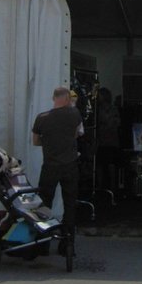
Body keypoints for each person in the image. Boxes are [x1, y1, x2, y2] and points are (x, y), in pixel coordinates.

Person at [32, 86, 83, 246]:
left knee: (45, 202)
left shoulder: (41, 118)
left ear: (53, 98)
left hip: (50, 165)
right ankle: (67, 243)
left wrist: (49, 142)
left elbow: (35, 141)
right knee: (70, 203)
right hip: (69, 164)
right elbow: (75, 134)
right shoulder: (74, 114)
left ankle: (43, 242)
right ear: (67, 99)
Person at [95, 87, 121, 197]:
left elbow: (116, 122)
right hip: (104, 140)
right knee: (101, 164)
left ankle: (112, 186)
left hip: (109, 140)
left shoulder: (110, 109)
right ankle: (101, 185)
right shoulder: (100, 109)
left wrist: (105, 124)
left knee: (109, 163)